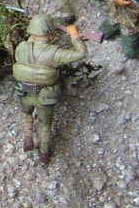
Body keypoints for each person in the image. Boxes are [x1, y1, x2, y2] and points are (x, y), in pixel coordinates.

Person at [12, 14, 87, 164]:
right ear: (50, 32)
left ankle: (28, 137)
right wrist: (75, 37)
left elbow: (26, 52)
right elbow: (81, 53)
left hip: (25, 91)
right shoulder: (54, 52)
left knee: (25, 113)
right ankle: (44, 153)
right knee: (45, 124)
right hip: (45, 95)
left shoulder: (21, 47)